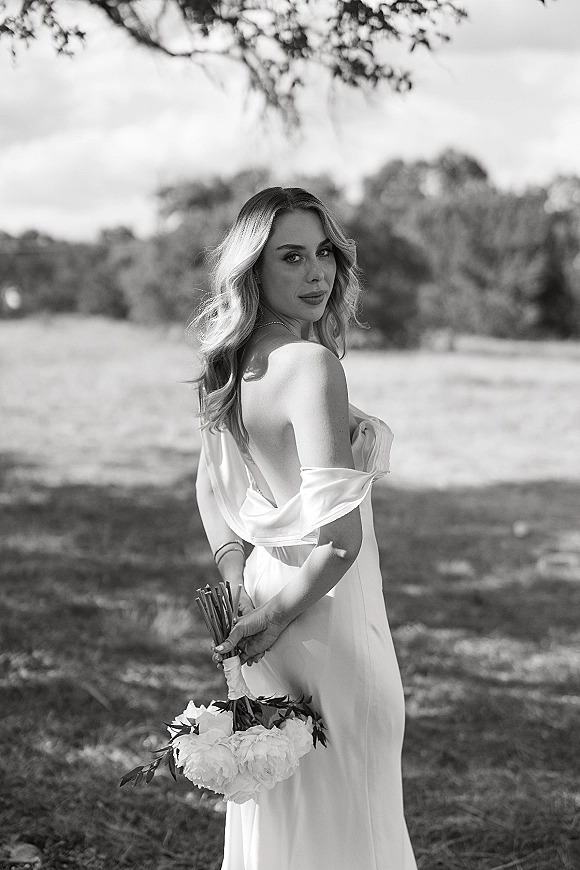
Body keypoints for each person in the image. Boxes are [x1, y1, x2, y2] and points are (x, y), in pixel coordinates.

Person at [194, 187, 417, 870]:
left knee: (286, 814)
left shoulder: (229, 370)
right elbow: (340, 541)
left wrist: (241, 590)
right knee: (353, 820)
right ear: (253, 269)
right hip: (322, 613)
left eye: (324, 252)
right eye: (291, 257)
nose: (317, 272)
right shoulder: (311, 366)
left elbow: (209, 489)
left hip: (265, 598)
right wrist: (280, 617)